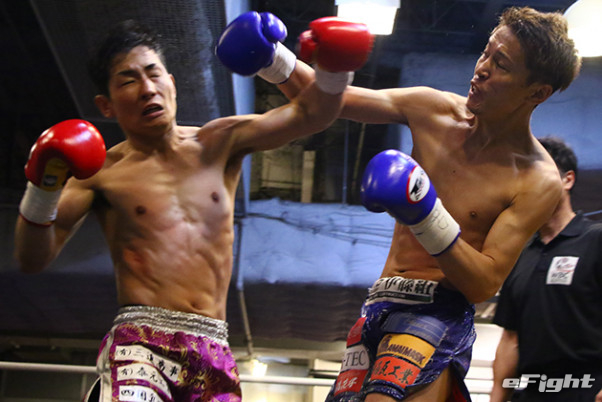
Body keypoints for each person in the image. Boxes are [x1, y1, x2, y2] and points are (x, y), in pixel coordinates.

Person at [13, 15, 372, 401]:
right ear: (106, 104)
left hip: (214, 350)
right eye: (128, 80)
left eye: (154, 73)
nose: (147, 88)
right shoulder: (101, 173)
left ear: (171, 81)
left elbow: (312, 115)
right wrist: (43, 187)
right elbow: (33, 258)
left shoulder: (220, 142)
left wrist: (322, 67)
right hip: (141, 343)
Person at [252, 5, 582, 401]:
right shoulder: (433, 109)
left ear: (537, 92)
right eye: (486, 53)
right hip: (377, 302)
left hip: (437, 312)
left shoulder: (537, 179)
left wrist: (426, 214)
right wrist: (272, 59)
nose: (482, 69)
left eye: (502, 64)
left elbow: (484, 282)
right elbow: (333, 102)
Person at [490, 136, 602, 402]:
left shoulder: (596, 240)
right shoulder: (520, 255)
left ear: (567, 180)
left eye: (535, 173)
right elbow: (510, 340)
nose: (527, 185)